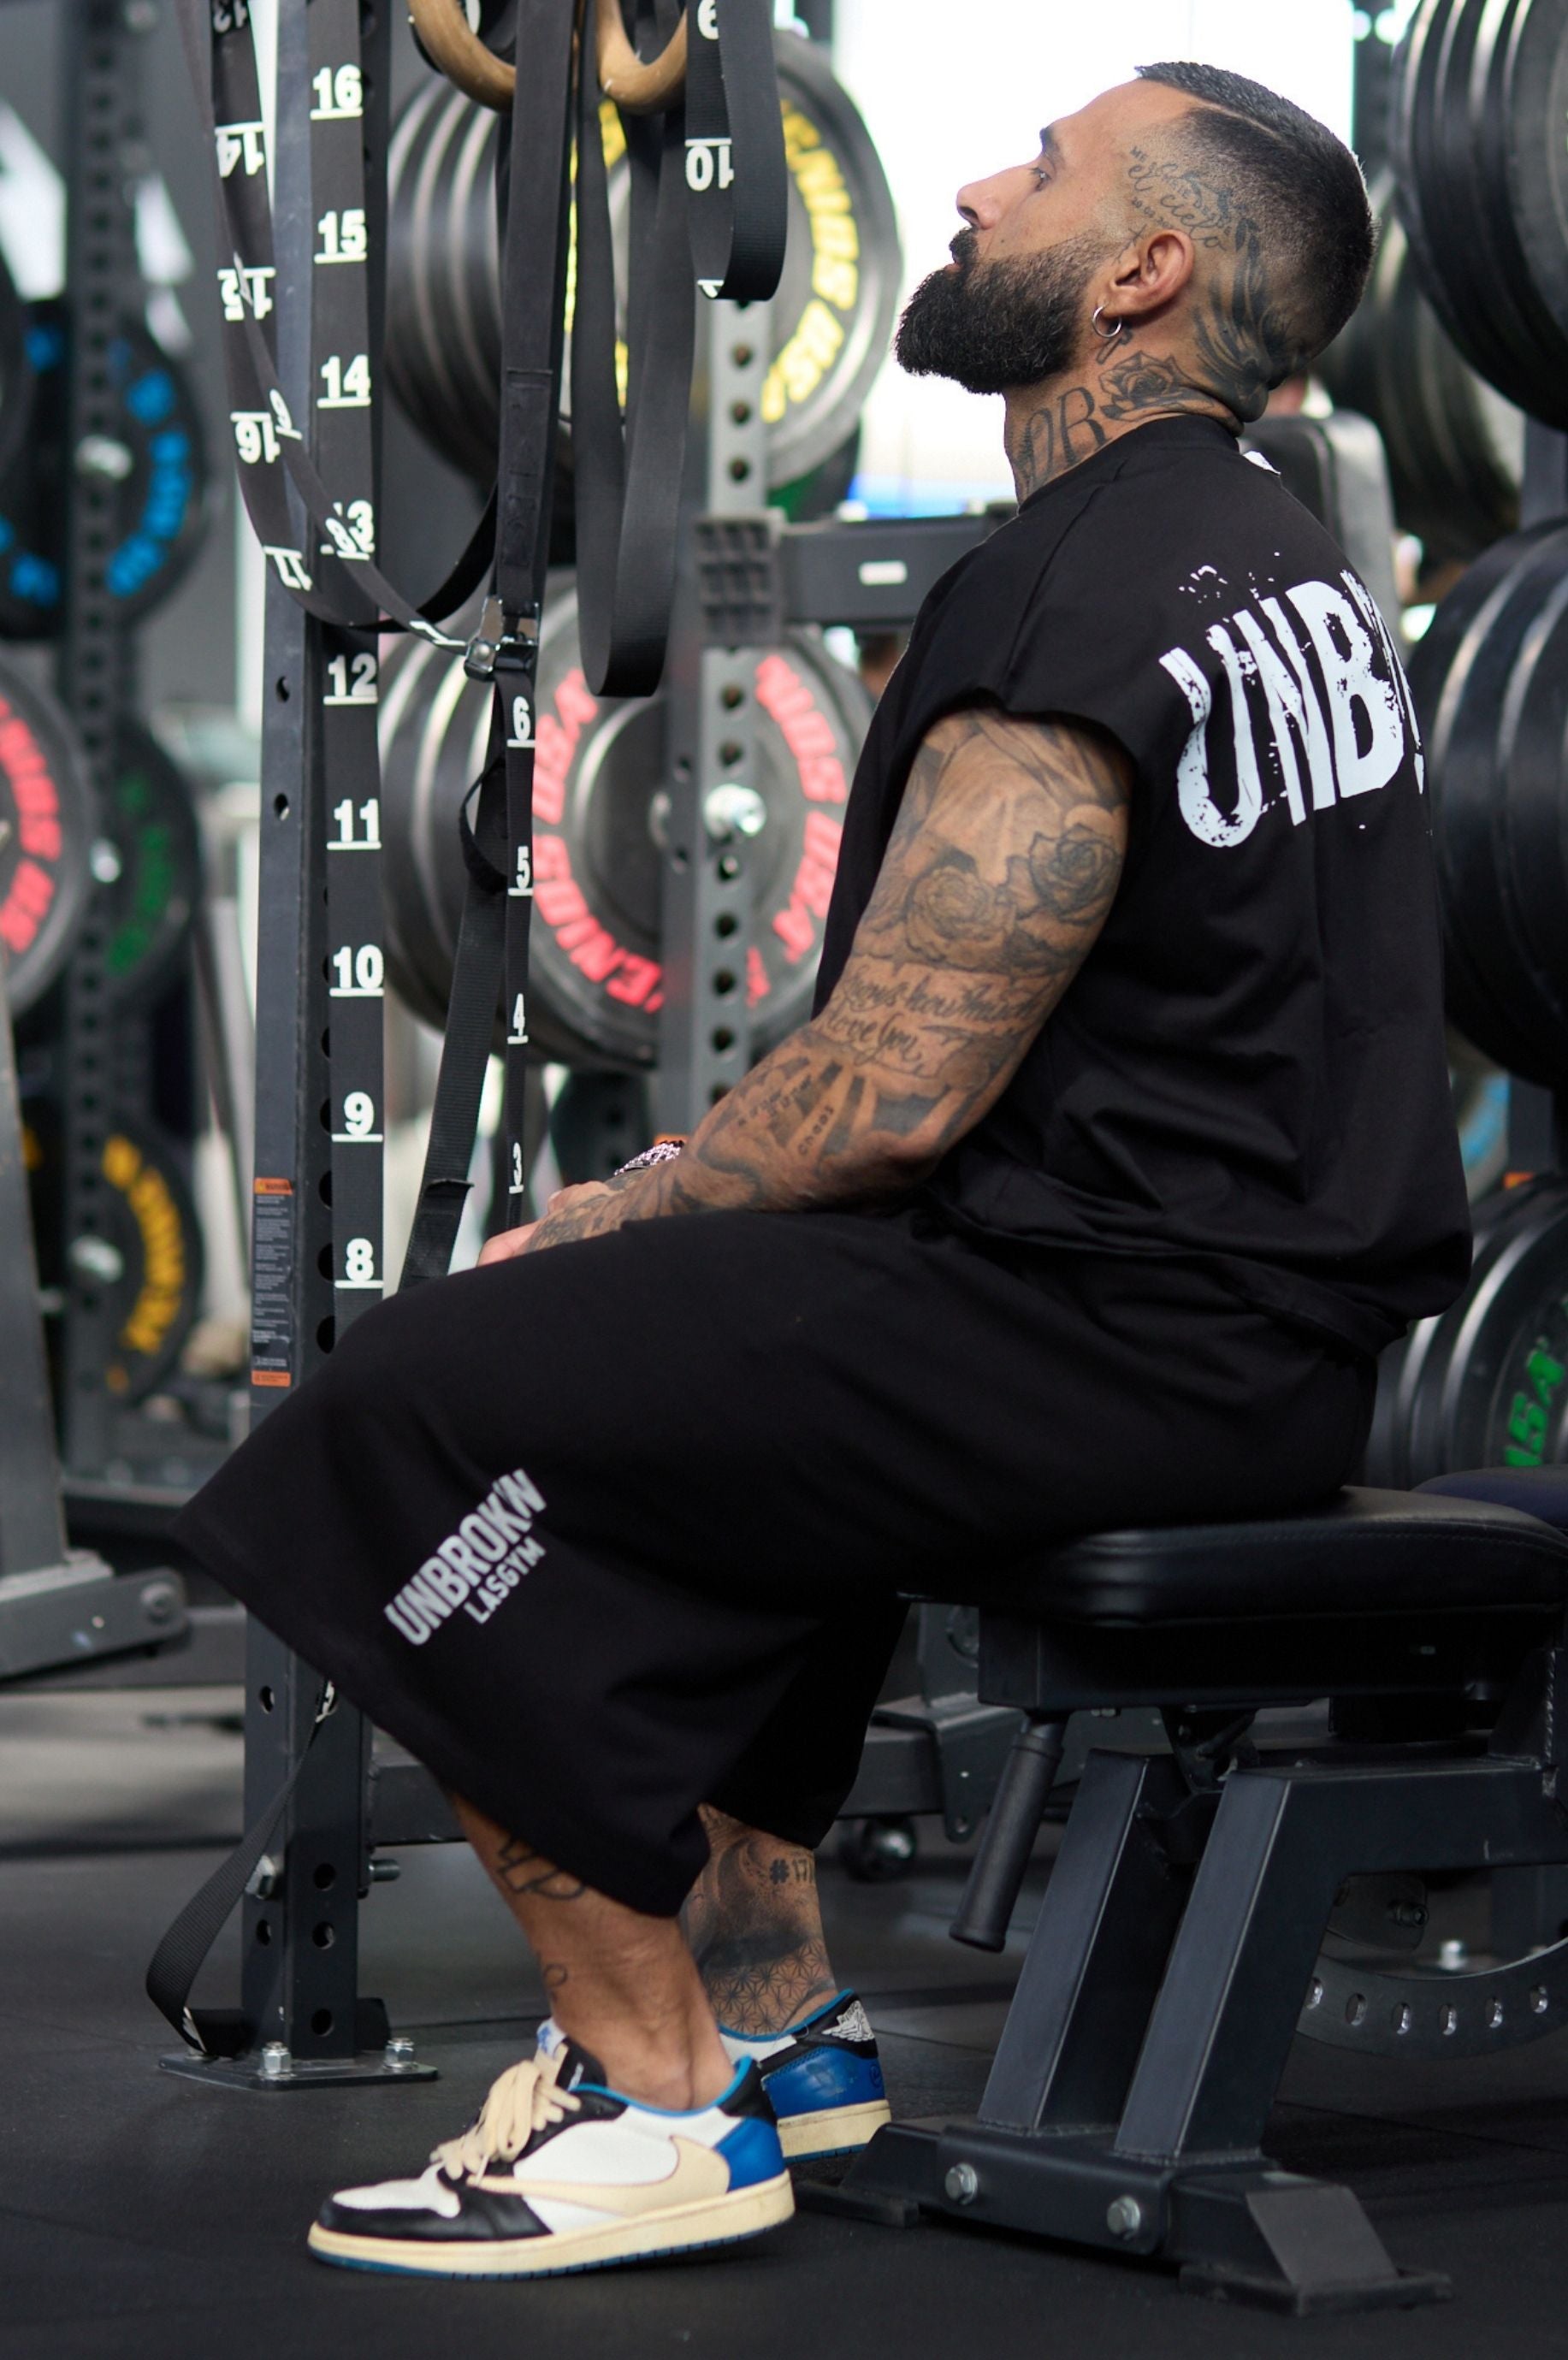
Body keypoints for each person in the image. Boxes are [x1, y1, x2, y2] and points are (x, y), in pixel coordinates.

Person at [174, 59, 1470, 2280]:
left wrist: (622, 1207)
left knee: (407, 1419)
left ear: (1142, 273)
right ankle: (778, 2031)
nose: (970, 189)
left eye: (1039, 169)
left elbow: (888, 1094)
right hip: (1235, 1340)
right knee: (709, 1420)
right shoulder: (1283, 567)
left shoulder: (1081, 588)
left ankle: (649, 2100)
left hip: (1110, 1330)